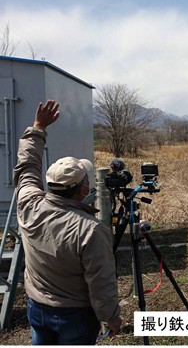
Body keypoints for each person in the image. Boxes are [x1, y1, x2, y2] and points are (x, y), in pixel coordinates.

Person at [14, 100, 122, 345]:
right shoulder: (90, 230)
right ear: (83, 189)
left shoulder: (29, 204)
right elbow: (101, 284)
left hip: (36, 307)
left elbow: (26, 167)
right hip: (75, 315)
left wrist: (38, 127)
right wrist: (112, 317)